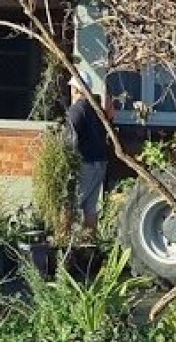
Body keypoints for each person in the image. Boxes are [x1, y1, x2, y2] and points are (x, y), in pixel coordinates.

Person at [67, 71, 111, 234]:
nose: (71, 91)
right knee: (90, 208)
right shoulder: (96, 109)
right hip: (100, 162)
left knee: (69, 204)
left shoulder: (77, 109)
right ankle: (90, 244)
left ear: (76, 89)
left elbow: (70, 136)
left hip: (86, 163)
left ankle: (62, 242)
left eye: (72, 88)